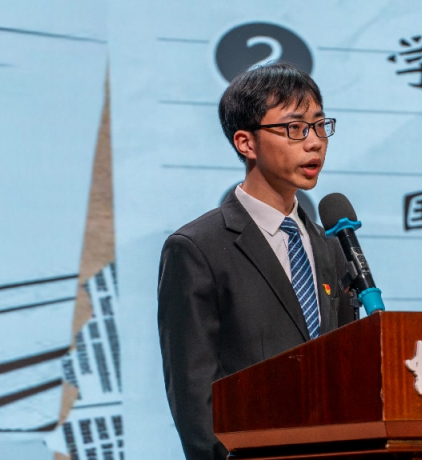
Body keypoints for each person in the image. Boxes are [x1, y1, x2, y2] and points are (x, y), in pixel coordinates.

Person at [158, 61, 354, 460]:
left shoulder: (331, 246)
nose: (314, 142)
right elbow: (193, 394)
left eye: (320, 126)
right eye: (295, 128)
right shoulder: (196, 248)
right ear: (245, 143)